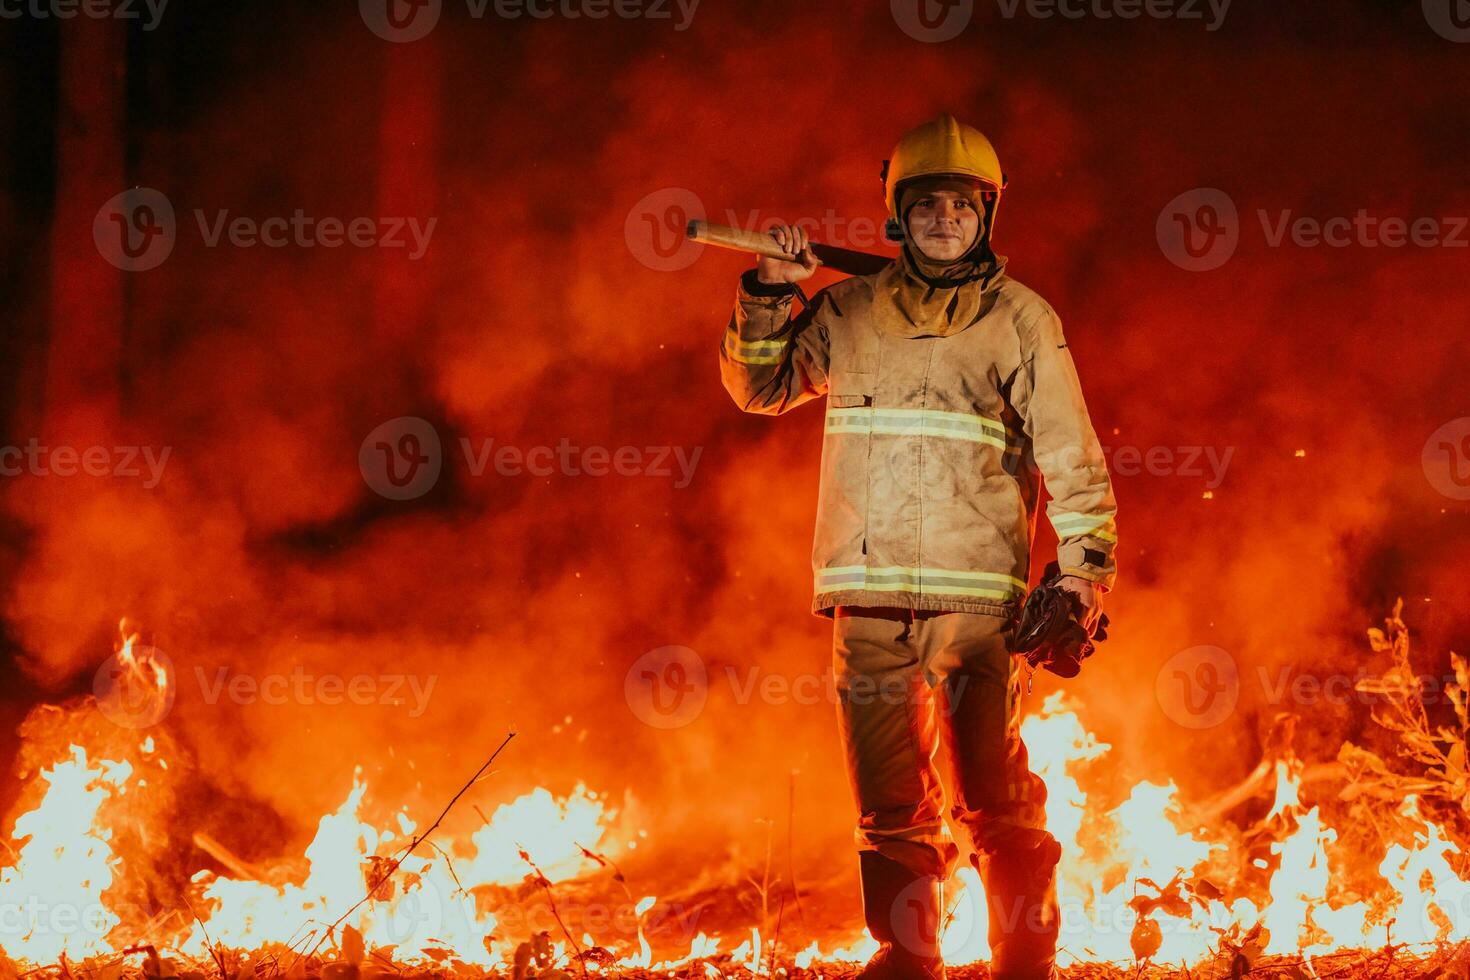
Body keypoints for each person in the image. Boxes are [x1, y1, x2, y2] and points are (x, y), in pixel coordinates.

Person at [717, 114, 1118, 980]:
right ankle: (909, 955)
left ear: (987, 217)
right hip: (867, 597)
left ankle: (1023, 960)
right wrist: (769, 291)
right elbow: (760, 387)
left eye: (962, 205)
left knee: (994, 800)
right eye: (927, 203)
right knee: (890, 806)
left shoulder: (1020, 320)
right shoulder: (848, 309)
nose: (945, 218)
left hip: (982, 607)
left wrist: (1085, 578)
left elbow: (1071, 452)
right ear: (898, 214)